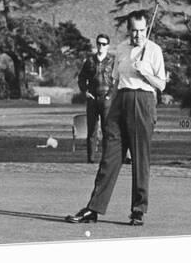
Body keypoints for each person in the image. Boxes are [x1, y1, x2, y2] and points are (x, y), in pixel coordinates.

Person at [66, 11, 166, 226]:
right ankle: (93, 208)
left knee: (139, 159)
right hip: (121, 100)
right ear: (128, 30)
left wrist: (145, 74)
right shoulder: (121, 49)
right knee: (109, 157)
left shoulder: (154, 51)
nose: (138, 35)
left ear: (146, 29)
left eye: (141, 30)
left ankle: (138, 211)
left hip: (143, 100)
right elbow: (115, 79)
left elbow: (161, 84)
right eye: (134, 30)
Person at [78, 34, 114, 163]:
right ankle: (91, 159)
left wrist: (110, 94)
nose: (101, 46)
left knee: (106, 130)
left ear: (108, 46)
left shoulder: (112, 61)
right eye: (99, 43)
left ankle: (106, 158)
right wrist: (85, 91)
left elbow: (116, 80)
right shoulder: (90, 61)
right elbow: (81, 78)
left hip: (106, 99)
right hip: (93, 98)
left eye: (104, 44)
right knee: (92, 130)